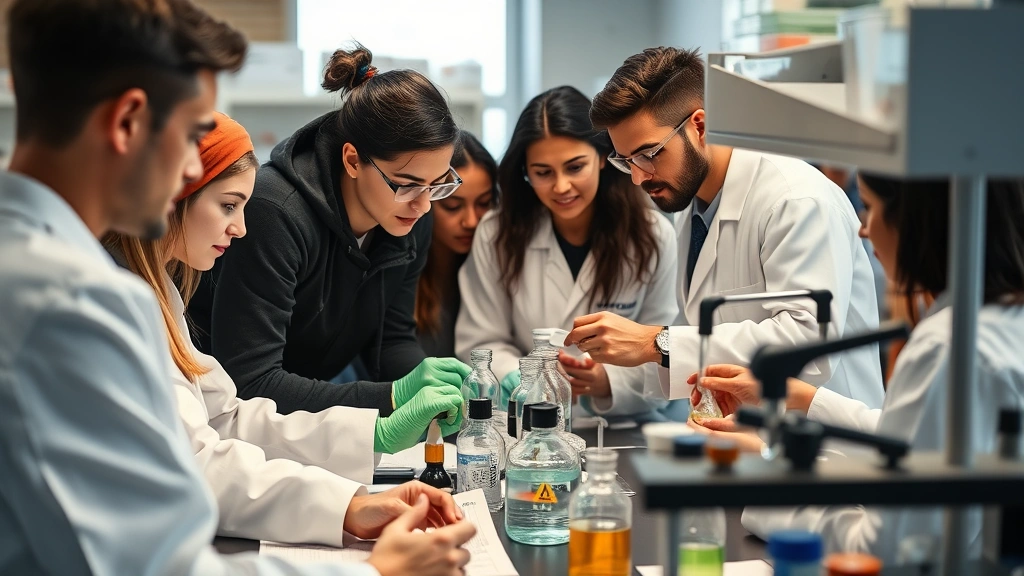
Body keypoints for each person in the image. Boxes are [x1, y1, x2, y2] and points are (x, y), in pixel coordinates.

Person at [0, 2, 473, 575]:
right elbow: (157, 564)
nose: (192, 169)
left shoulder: (85, 277)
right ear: (128, 122)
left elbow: (216, 433)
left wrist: (347, 505)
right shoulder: (65, 304)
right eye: (192, 134)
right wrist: (371, 571)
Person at [105, 112, 467, 547]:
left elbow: (227, 419)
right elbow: (197, 463)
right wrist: (347, 508)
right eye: (228, 205)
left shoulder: (157, 290)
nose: (241, 228)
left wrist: (371, 439)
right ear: (169, 194)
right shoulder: (115, 302)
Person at [686, 175, 1024, 562]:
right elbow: (922, 442)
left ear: (920, 219)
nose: (864, 228)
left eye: (872, 208)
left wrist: (767, 472)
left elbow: (885, 551)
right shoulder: (1003, 320)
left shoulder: (946, 348)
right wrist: (804, 399)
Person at [566, 47, 884, 411]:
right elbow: (700, 334)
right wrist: (609, 375)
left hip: (826, 438)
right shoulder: (692, 206)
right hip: (744, 432)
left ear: (699, 126)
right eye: (626, 161)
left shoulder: (796, 199)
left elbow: (808, 346)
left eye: (648, 155)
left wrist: (656, 342)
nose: (638, 177)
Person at [186, 44, 472, 424]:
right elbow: (251, 380)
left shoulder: (410, 216)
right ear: (352, 160)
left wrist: (439, 396)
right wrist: (392, 396)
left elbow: (391, 340)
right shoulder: (275, 212)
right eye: (407, 184)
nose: (423, 205)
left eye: (437, 184)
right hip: (223, 418)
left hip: (304, 413)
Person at [457, 85, 679, 418]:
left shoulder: (652, 235)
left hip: (620, 423)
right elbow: (481, 340)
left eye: (575, 167)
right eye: (543, 173)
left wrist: (605, 381)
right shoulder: (496, 234)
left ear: (602, 157)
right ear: (525, 172)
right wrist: (522, 378)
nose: (561, 186)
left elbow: (665, 349)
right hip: (526, 419)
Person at [417, 130, 498, 358]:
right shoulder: (401, 275)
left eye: (484, 203)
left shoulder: (492, 268)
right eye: (453, 206)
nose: (471, 221)